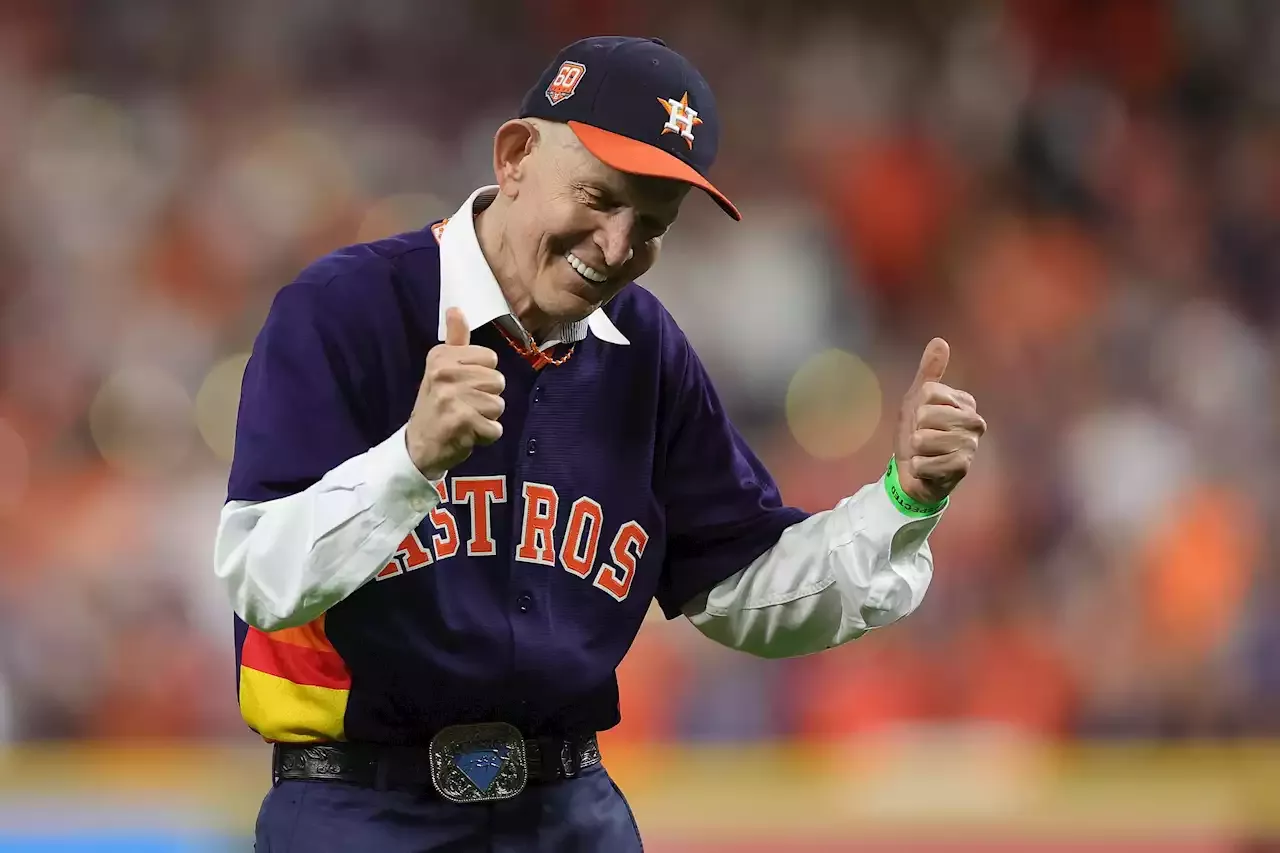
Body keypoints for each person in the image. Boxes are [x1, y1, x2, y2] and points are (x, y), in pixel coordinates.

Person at [214, 35, 985, 853]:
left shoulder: (645, 349)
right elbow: (262, 577)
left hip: (567, 810)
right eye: (598, 197)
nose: (616, 249)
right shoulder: (345, 311)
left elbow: (746, 586)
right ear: (515, 156)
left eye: (651, 225)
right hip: (360, 810)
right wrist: (412, 457)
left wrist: (907, 497)